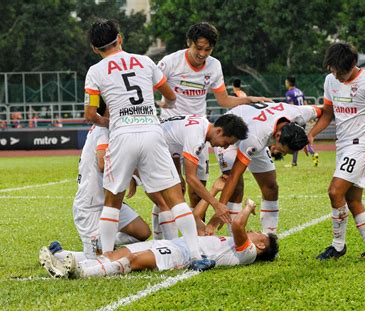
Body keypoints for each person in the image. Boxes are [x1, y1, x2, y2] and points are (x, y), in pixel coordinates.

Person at [83, 19, 213, 270]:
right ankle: (196, 256)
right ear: (120, 38)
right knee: (175, 197)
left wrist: (108, 121)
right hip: (153, 132)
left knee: (113, 201)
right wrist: (162, 106)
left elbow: (90, 115)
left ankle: (107, 261)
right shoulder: (144, 61)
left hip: (122, 134)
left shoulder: (95, 71)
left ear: (94, 48)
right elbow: (170, 96)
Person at [157, 22, 270, 210]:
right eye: (198, 48)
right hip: (172, 130)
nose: (202, 54)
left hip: (198, 131)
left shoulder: (214, 66)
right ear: (188, 43)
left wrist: (249, 99)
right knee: (174, 188)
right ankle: (164, 235)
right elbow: (149, 85)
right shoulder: (170, 62)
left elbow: (223, 100)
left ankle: (198, 235)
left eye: (207, 49)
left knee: (196, 189)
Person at [39, 197, 279, 278]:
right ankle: (65, 260)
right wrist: (213, 192)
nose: (254, 230)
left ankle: (79, 272)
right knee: (117, 254)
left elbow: (237, 224)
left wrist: (248, 207)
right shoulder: (225, 243)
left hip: (182, 254)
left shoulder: (247, 254)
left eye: (259, 233)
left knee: (134, 260)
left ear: (260, 244)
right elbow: (194, 218)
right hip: (173, 243)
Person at [308, 42, 365, 260]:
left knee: (335, 191)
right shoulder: (330, 80)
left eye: (341, 71)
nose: (337, 75)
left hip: (362, 145)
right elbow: (327, 114)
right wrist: (311, 133)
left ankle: (337, 246)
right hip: (343, 145)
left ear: (353, 64)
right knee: (353, 200)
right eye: (333, 70)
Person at [46, 101, 151, 263]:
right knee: (98, 261)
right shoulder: (103, 130)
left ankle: (105, 241)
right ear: (109, 107)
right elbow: (103, 164)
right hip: (90, 205)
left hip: (109, 200)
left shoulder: (110, 128)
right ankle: (59, 254)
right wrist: (129, 174)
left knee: (142, 233)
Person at [210, 102, 322, 235]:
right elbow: (234, 175)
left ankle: (269, 237)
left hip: (256, 131)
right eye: (283, 150)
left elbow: (326, 109)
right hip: (230, 132)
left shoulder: (299, 113)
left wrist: (311, 134)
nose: (283, 154)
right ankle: (236, 240)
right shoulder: (255, 138)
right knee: (236, 187)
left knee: (271, 186)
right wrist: (219, 210)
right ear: (278, 136)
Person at [149, 113, 248, 236]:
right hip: (148, 150)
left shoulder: (202, 123)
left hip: (151, 145)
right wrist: (216, 204)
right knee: (169, 202)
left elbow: (172, 145)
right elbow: (191, 178)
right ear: (218, 131)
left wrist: (178, 174)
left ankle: (160, 242)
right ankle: (169, 247)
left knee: (167, 199)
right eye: (227, 142)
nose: (225, 146)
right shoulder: (197, 138)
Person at [284, 76, 318, 167]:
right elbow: (306, 104)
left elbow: (291, 106)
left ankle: (294, 162)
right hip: (303, 117)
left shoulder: (289, 93)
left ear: (288, 82)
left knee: (295, 139)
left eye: (286, 82)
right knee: (301, 138)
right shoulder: (300, 91)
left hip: (296, 118)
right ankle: (313, 154)